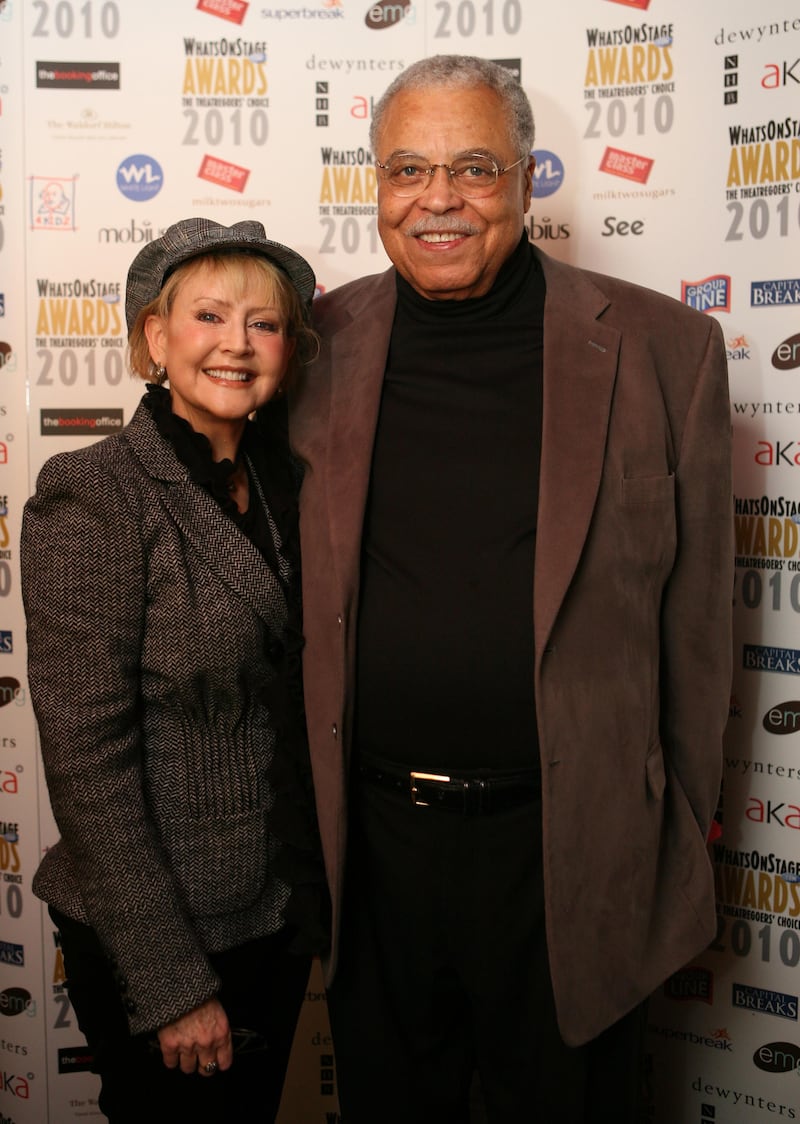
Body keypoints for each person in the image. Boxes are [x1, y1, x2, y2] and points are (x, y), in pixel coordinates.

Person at [289, 55, 733, 1123]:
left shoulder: (665, 348)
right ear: (375, 185)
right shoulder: (310, 348)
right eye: (406, 169)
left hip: (572, 855)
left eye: (472, 167)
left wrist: (667, 834)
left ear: (527, 179)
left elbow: (701, 627)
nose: (435, 198)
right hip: (374, 856)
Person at [21, 218, 326, 1124]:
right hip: (162, 930)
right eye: (209, 316)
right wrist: (169, 984)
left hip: (276, 910)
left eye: (264, 324)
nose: (237, 343)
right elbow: (86, 762)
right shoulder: (94, 495)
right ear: (154, 338)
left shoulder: (296, 485)